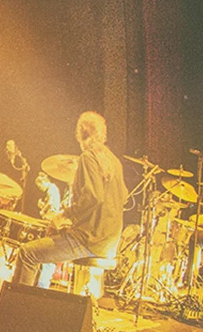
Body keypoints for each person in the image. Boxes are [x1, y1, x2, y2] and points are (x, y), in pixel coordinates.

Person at [12, 112, 127, 288]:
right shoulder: (114, 161)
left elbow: (93, 196)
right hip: (109, 242)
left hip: (90, 240)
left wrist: (65, 216)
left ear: (80, 133)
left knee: (27, 253)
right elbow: (123, 197)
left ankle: (17, 310)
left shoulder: (89, 156)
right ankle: (32, 299)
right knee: (43, 252)